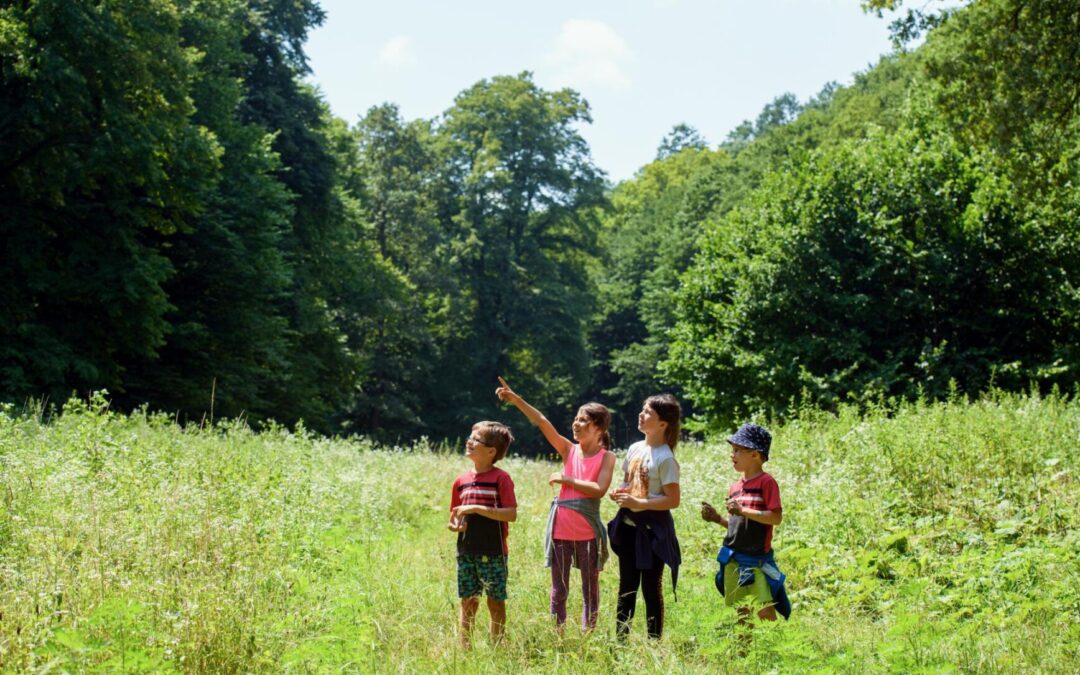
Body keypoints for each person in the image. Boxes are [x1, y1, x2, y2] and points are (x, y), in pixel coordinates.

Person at [495, 376, 616, 633]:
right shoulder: (568, 449)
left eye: (583, 420)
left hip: (587, 534)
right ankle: (557, 634)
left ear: (598, 429)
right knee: (559, 589)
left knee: (589, 590)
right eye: (577, 418)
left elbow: (599, 490)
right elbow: (541, 421)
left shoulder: (607, 458)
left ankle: (588, 635)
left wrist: (566, 478)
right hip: (561, 531)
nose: (576, 423)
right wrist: (516, 399)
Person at [701, 422, 791, 633]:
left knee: (765, 609)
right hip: (733, 559)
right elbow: (738, 526)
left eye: (739, 450)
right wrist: (717, 519)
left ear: (756, 454)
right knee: (741, 612)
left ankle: (776, 651)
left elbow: (775, 518)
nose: (733, 455)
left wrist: (743, 511)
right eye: (733, 450)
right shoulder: (735, 487)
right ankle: (744, 656)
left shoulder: (766, 482)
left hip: (756, 561)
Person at [607, 394, 683, 640]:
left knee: (651, 588)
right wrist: (620, 491)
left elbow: (673, 500)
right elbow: (628, 481)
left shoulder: (666, 457)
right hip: (628, 528)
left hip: (653, 534)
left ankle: (654, 644)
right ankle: (621, 642)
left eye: (648, 412)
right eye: (643, 410)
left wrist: (639, 502)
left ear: (663, 424)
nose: (641, 415)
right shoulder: (634, 448)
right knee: (626, 586)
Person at [448, 421, 517, 648]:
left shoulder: (501, 478)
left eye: (476, 439)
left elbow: (511, 514)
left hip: (494, 551)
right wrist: (456, 525)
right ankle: (465, 647)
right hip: (466, 551)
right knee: (468, 601)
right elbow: (455, 515)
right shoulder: (460, 481)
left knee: (495, 602)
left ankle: (497, 646)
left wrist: (477, 509)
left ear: (491, 452)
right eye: (470, 437)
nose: (469, 441)